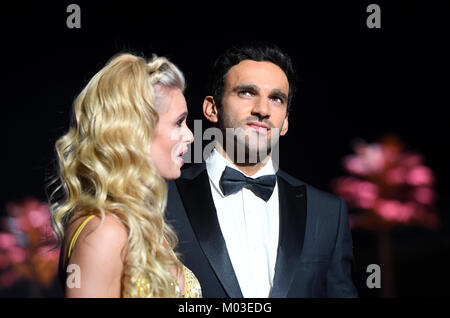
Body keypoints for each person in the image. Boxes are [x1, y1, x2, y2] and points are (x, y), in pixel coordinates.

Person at [166, 42, 358, 297]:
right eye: (246, 92)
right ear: (212, 108)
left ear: (286, 121)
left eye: (276, 99)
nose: (263, 110)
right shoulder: (162, 198)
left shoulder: (327, 213)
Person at [49, 52, 201, 297]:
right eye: (178, 122)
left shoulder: (139, 222)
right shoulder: (103, 232)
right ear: (136, 130)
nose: (191, 136)